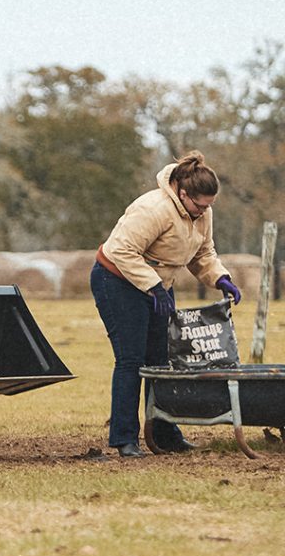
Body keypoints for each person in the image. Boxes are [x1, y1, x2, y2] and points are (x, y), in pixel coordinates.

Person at [90, 151, 242, 457]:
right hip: (116, 280)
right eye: (200, 205)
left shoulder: (201, 211)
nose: (204, 211)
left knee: (161, 360)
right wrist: (153, 286)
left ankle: (164, 433)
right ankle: (124, 438)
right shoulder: (153, 208)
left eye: (209, 206)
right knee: (132, 360)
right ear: (183, 193)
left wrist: (220, 277)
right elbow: (121, 251)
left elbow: (203, 253)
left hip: (157, 285)